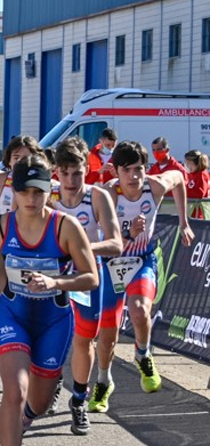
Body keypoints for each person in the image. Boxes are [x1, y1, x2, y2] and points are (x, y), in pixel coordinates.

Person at [0, 155, 98, 446]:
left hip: (53, 320)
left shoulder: (65, 227)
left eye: (38, 192)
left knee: (39, 403)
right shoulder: (0, 225)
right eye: (24, 191)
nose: (31, 198)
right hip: (13, 314)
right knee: (15, 390)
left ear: (49, 191)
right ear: (13, 191)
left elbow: (91, 277)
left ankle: (28, 415)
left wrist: (56, 282)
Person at [94, 140, 193, 404]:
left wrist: (184, 222)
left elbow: (180, 178)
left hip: (142, 260)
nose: (134, 176)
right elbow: (109, 240)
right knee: (108, 334)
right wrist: (129, 234)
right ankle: (104, 380)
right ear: (116, 171)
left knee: (139, 310)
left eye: (139, 169)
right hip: (110, 264)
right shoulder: (108, 194)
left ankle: (142, 354)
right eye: (127, 170)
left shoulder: (155, 185)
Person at [49, 138, 123, 435]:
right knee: (49, 337)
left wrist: (83, 248)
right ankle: (51, 384)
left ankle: (78, 400)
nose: (70, 180)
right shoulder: (47, 197)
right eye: (64, 173)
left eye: (77, 173)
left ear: (85, 170)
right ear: (56, 172)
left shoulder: (97, 196)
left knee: (84, 340)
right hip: (52, 276)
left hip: (86, 276)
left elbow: (116, 243)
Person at [184, 150, 210, 219]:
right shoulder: (192, 174)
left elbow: (200, 193)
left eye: (187, 162)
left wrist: (184, 192)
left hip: (198, 213)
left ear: (191, 162)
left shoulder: (202, 174)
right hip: (192, 211)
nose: (185, 164)